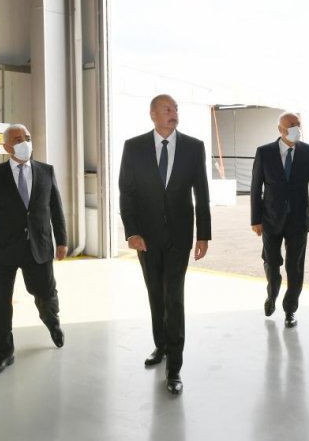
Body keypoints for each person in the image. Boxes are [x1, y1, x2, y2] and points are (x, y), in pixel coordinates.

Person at [119, 94, 211, 395]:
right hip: (146, 239)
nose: (173, 113)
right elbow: (127, 193)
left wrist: (203, 234)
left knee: (174, 298)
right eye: (167, 109)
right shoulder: (133, 147)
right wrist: (131, 232)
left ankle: (174, 367)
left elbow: (201, 194)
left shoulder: (193, 147)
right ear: (153, 115)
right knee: (155, 294)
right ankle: (160, 345)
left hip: (179, 238)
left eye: (175, 109)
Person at [0, 123, 68, 376]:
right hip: (3, 249)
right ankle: (3, 354)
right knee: (0, 303)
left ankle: (53, 322)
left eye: (27, 137)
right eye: (17, 139)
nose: (24, 142)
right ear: (7, 147)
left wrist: (62, 240)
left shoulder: (46, 171)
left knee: (45, 292)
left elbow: (56, 208)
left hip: (39, 245)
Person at [250, 111, 309, 328]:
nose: (296, 128)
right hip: (270, 219)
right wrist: (255, 219)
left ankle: (290, 310)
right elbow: (256, 187)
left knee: (295, 268)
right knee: (272, 264)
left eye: (298, 124)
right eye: (291, 125)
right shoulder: (264, 152)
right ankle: (272, 293)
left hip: (298, 221)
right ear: (280, 129)